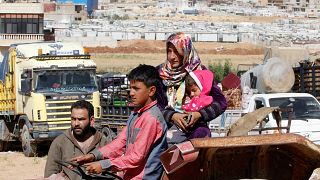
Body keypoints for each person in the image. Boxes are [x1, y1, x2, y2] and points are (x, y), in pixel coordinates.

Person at [71, 64, 168, 180]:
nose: (131, 93)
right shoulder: (136, 113)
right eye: (131, 88)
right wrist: (93, 156)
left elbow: (136, 157)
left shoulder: (151, 119)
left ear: (151, 91)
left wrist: (103, 165)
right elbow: (120, 143)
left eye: (136, 89)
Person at [157, 32, 227, 145]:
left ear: (186, 51)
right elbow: (154, 106)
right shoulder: (161, 74)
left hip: (194, 128)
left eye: (176, 51)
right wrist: (172, 116)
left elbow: (221, 102)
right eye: (169, 51)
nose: (171, 56)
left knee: (202, 134)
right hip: (166, 128)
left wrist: (199, 115)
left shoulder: (200, 73)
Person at [44, 100, 110, 180]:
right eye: (73, 119)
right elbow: (50, 175)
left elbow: (113, 172)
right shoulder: (60, 142)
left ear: (91, 120)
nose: (76, 123)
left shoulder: (103, 142)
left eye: (81, 119)